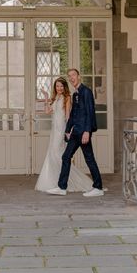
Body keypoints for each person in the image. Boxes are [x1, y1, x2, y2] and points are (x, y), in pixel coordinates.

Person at [47, 68, 104, 197]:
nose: (71, 78)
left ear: (79, 76)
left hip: (83, 132)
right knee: (66, 157)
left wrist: (87, 132)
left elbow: (90, 113)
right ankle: (62, 188)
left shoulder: (86, 92)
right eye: (69, 76)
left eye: (73, 75)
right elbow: (73, 115)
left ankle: (98, 187)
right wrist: (67, 130)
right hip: (75, 132)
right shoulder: (75, 94)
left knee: (89, 159)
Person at [35, 77, 93, 192]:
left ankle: (64, 182)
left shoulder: (67, 98)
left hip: (61, 128)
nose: (59, 88)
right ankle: (55, 181)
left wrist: (68, 130)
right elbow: (47, 111)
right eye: (57, 86)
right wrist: (46, 97)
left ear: (64, 87)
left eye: (61, 86)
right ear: (55, 88)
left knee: (58, 153)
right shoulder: (55, 97)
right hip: (54, 130)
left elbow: (67, 115)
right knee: (52, 153)